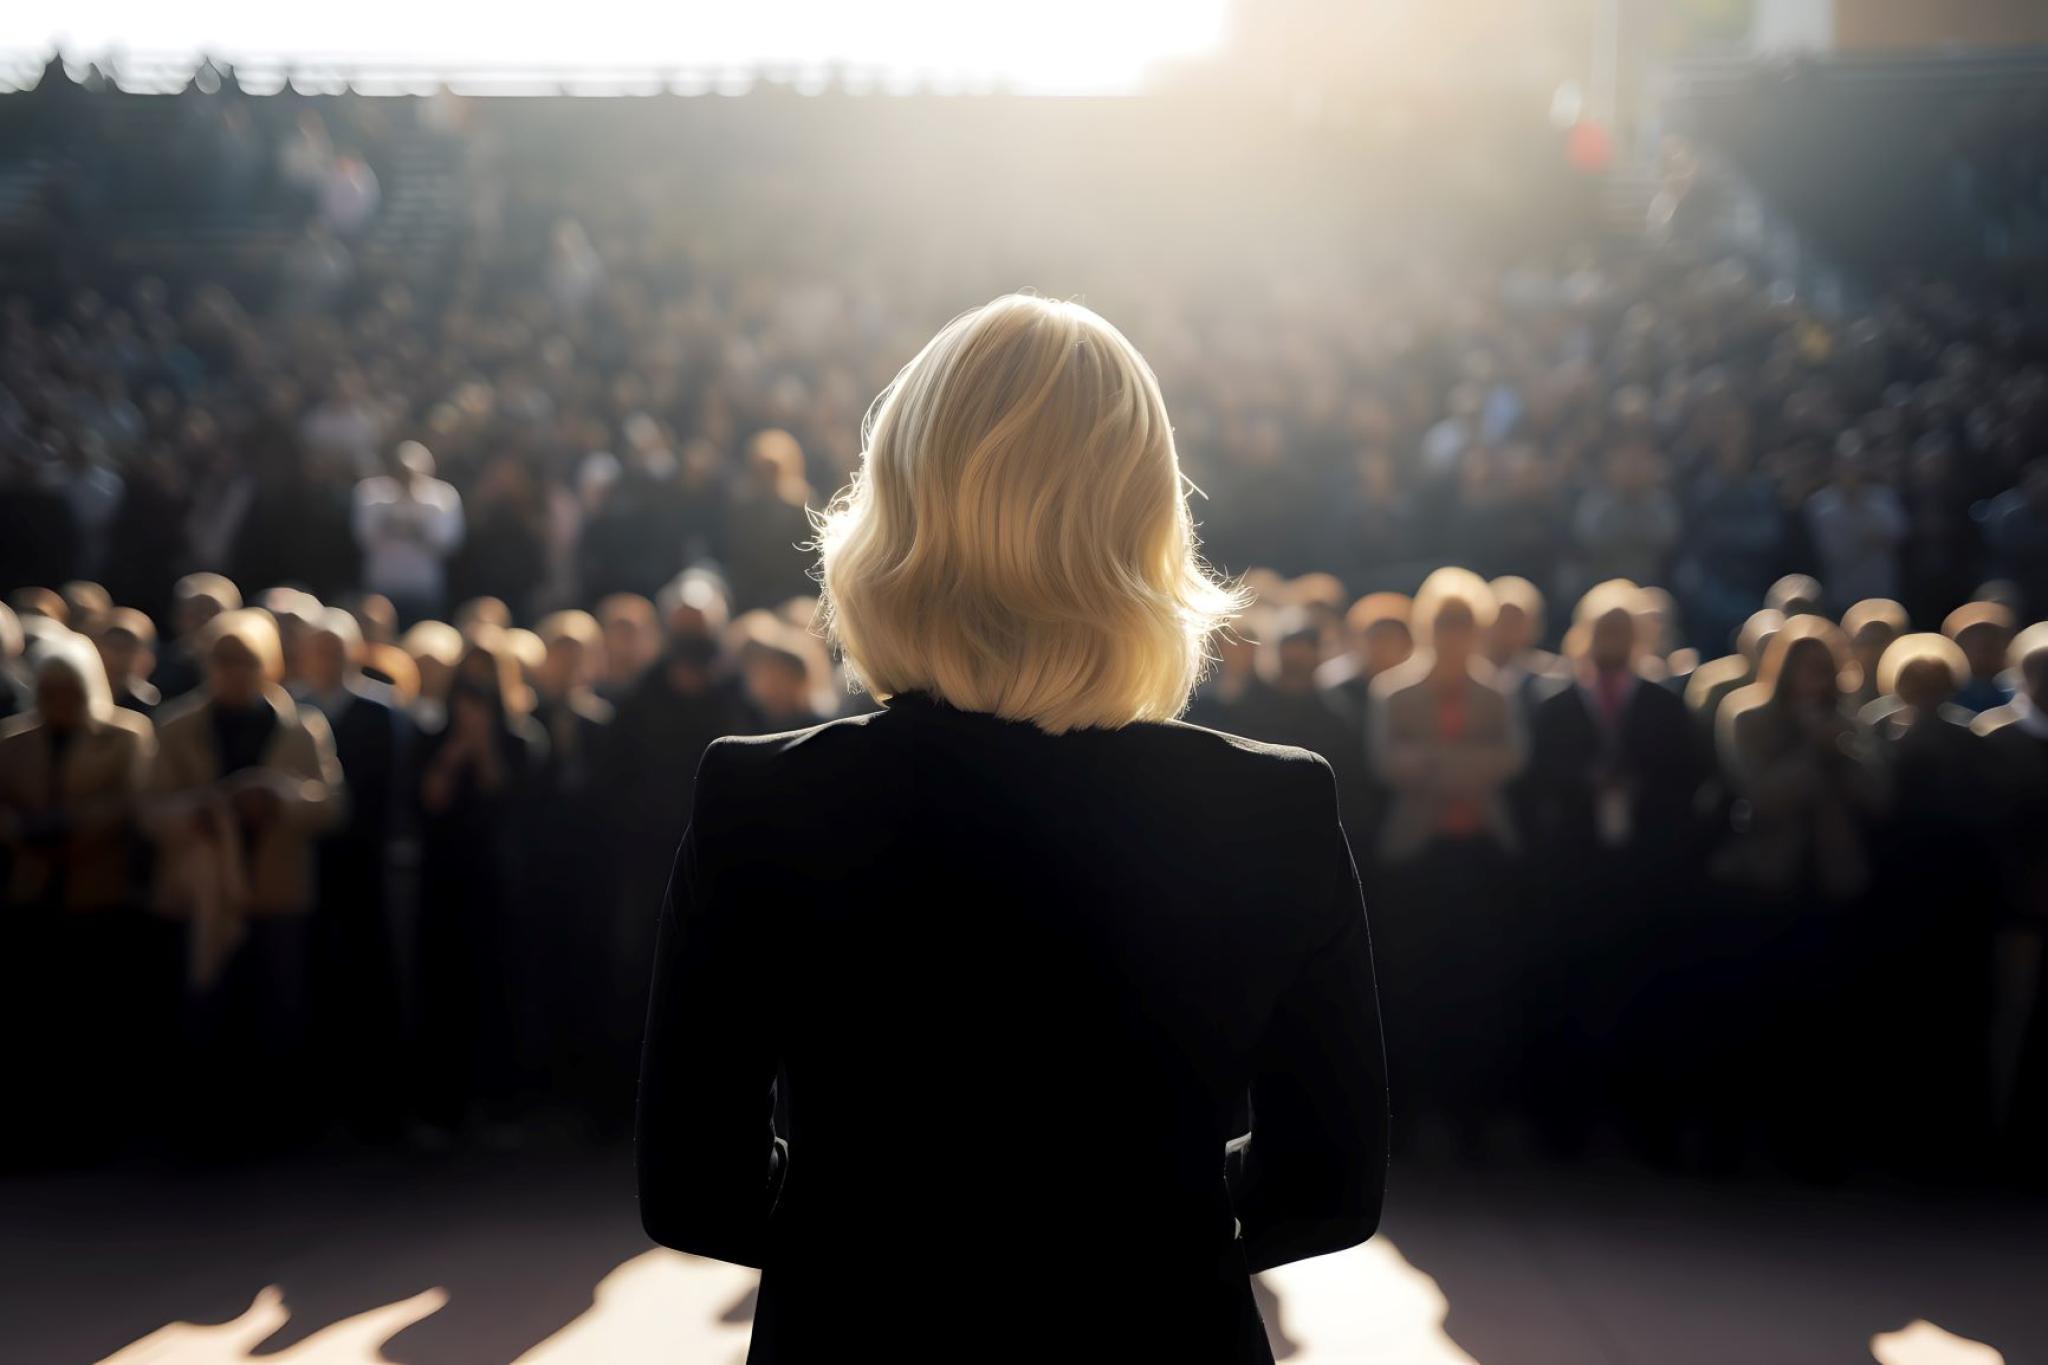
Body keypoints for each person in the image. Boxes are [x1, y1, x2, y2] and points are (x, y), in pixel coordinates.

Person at [636, 295, 1387, 1364]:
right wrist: (1139, 1212)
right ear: (1148, 520)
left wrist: (871, 1235)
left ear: (892, 508)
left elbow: (692, 1189)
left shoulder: (762, 797)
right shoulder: (1271, 804)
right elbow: (1330, 1186)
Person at [147, 607, 346, 1156]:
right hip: (202, 892)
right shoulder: (177, 726)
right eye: (223, 659)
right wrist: (202, 813)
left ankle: (275, 1129)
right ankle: (204, 1130)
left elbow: (329, 803)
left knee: (276, 1009)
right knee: (204, 1007)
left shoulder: (303, 727)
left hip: (275, 889)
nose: (234, 670)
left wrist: (276, 801)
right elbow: (149, 808)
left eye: (245, 660)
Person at [1366, 566, 1524, 1154]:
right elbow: (1388, 764)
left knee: (1477, 986)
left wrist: (1432, 761)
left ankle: (1470, 1119)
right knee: (1411, 984)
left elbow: (1512, 759)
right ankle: (1405, 1116)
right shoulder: (1394, 691)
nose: (1455, 634)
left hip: (1479, 854)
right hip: (1417, 856)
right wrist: (1467, 762)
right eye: (1445, 623)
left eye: (1464, 623)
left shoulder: (1496, 692)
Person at [0, 629, 158, 1161]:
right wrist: (24, 831)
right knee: (35, 1020)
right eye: (50, 691)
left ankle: (97, 1133)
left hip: (99, 890)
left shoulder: (126, 735)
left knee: (96, 1019)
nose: (59, 703)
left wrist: (70, 827)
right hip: (33, 891)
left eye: (69, 691)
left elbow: (131, 802)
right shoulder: (13, 741)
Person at [352, 441, 465, 628]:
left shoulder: (443, 497)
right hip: (381, 589)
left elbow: (449, 543)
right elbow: (363, 537)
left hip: (424, 591)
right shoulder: (370, 493)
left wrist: (414, 510)